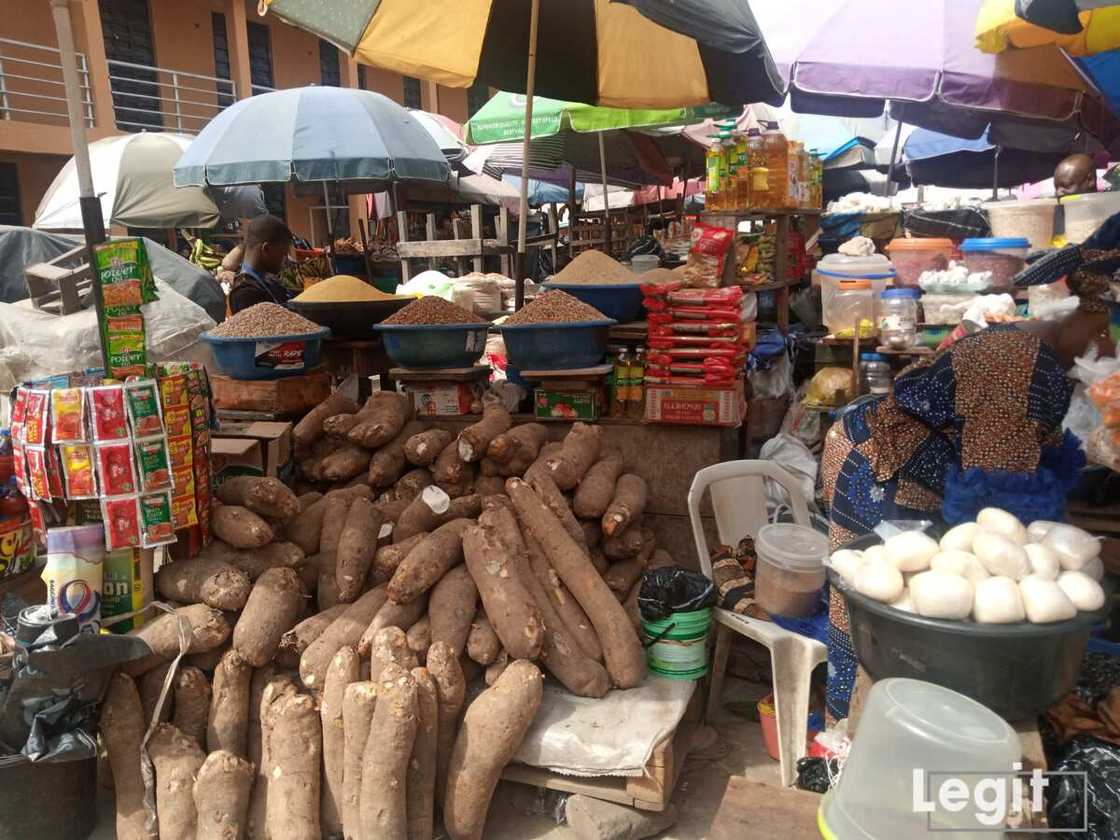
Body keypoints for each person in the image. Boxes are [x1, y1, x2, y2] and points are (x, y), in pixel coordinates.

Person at [818, 253, 1115, 721]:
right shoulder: (1016, 366)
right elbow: (996, 506)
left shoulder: (1045, 361)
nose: (1111, 353)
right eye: (1109, 337)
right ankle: (844, 748)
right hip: (880, 463)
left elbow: (1031, 464)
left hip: (925, 466)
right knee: (874, 613)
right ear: (1094, 322)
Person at [228, 214, 296, 314]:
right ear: (266, 249)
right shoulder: (245, 293)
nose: (285, 260)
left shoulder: (269, 281)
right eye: (283, 254)